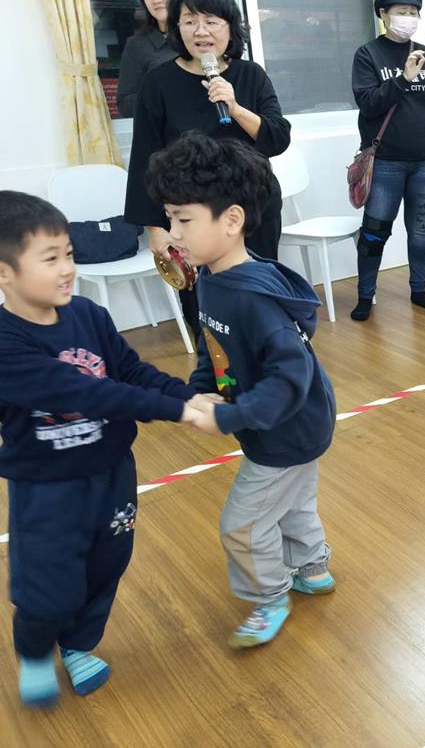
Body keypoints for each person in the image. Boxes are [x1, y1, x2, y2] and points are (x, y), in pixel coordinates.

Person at [0, 191, 203, 707]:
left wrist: (187, 395)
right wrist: (175, 411)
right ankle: (36, 650)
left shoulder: (89, 314)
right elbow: (85, 392)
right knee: (49, 585)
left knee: (106, 564)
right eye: (50, 258)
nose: (67, 268)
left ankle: (78, 644)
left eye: (68, 253)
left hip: (112, 473)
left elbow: (129, 371)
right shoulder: (5, 342)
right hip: (46, 488)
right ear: (4, 272)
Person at [146, 133, 337, 649]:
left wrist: (229, 417)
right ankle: (312, 568)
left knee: (242, 524)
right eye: (170, 219)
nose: (173, 233)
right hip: (290, 421)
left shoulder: (255, 300)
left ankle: (269, 596)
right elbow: (211, 346)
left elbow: (290, 380)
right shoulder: (212, 280)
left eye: (183, 220)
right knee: (294, 501)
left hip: (286, 426)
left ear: (231, 220)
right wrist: (200, 388)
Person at [125, 0, 291, 340]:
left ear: (230, 28)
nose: (200, 31)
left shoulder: (250, 75)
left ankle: (264, 360)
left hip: (251, 212)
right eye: (189, 21)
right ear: (177, 27)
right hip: (190, 221)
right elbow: (144, 158)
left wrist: (235, 107)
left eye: (211, 21)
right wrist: (156, 229)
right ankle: (217, 367)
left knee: (258, 301)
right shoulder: (158, 82)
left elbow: (278, 138)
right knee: (205, 312)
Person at [349, 0, 425, 322]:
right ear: (383, 14)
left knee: (420, 231)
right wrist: (403, 78)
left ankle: (419, 290)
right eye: (402, 11)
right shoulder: (368, 54)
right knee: (375, 231)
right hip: (385, 163)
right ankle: (365, 295)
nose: (409, 18)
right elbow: (369, 103)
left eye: (414, 12)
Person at [115, 0, 188, 119]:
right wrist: (158, 97)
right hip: (163, 130)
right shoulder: (137, 45)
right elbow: (124, 104)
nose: (155, 0)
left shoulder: (199, 36)